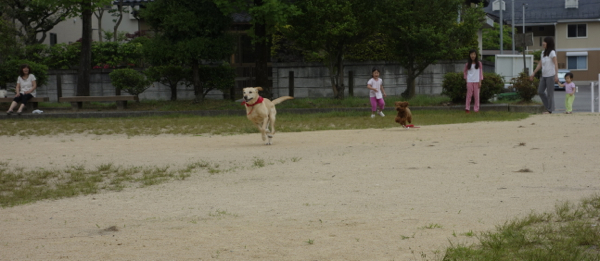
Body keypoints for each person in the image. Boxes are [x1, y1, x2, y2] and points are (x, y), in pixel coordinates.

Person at [530, 37, 558, 114]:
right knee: (540, 91)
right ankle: (549, 106)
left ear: (548, 43)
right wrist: (533, 73)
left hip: (550, 75)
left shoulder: (552, 52)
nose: (543, 43)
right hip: (544, 76)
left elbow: (555, 63)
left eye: (545, 41)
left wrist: (556, 75)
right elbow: (540, 64)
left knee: (550, 93)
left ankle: (549, 110)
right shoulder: (542, 53)